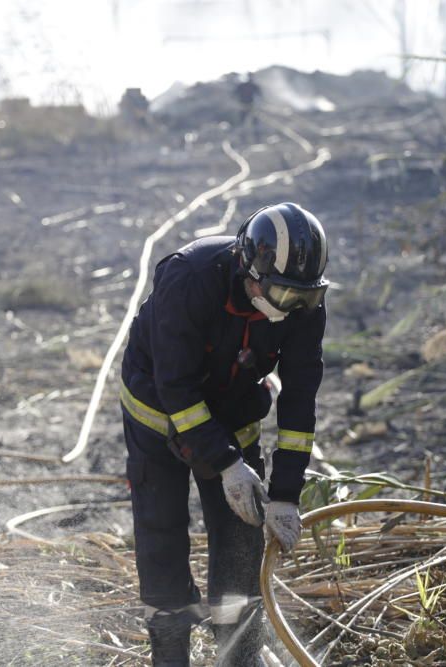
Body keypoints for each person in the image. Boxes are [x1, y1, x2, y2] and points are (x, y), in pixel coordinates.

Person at [121, 202, 328, 666]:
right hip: (158, 411)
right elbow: (175, 389)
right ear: (248, 268)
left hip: (234, 408)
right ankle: (170, 652)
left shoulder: (302, 302)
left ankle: (239, 656)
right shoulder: (188, 281)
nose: (290, 309)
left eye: (302, 299)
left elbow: (299, 398)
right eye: (281, 294)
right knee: (161, 535)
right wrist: (229, 466)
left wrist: (285, 494)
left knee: (241, 536)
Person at [234, 72, 262, 138]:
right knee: (243, 123)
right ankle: (243, 138)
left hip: (251, 106)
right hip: (244, 106)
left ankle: (257, 138)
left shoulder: (252, 86)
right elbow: (234, 94)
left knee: (254, 123)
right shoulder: (242, 86)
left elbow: (260, 95)